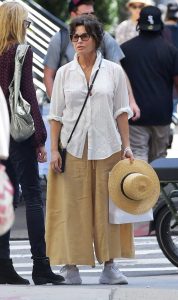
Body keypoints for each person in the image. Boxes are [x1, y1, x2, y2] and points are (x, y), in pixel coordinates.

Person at [45, 14, 135, 285]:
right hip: (72, 148)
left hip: (107, 146)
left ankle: (110, 266)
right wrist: (54, 151)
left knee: (106, 210)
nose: (79, 41)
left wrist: (127, 147)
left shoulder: (113, 71)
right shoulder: (64, 73)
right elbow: (56, 115)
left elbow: (121, 111)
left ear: (96, 39)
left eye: (84, 36)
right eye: (75, 37)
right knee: (72, 209)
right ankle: (71, 267)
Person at [0, 1, 64, 285]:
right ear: (17, 23)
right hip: (18, 134)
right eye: (26, 22)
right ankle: (40, 265)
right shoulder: (21, 51)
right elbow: (28, 95)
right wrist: (40, 137)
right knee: (34, 198)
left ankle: (3, 266)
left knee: (5, 200)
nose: (28, 26)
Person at [43, 0, 140, 121]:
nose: (90, 18)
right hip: (69, 115)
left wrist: (131, 101)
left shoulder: (104, 38)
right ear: (73, 15)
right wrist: (59, 107)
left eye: (92, 14)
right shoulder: (60, 39)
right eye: (85, 14)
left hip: (100, 113)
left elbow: (119, 72)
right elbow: (48, 76)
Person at [120, 6, 178, 162]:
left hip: (135, 116)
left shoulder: (124, 50)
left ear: (139, 24)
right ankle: (158, 186)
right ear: (161, 25)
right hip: (162, 115)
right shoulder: (171, 51)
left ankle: (141, 187)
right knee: (159, 159)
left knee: (138, 157)